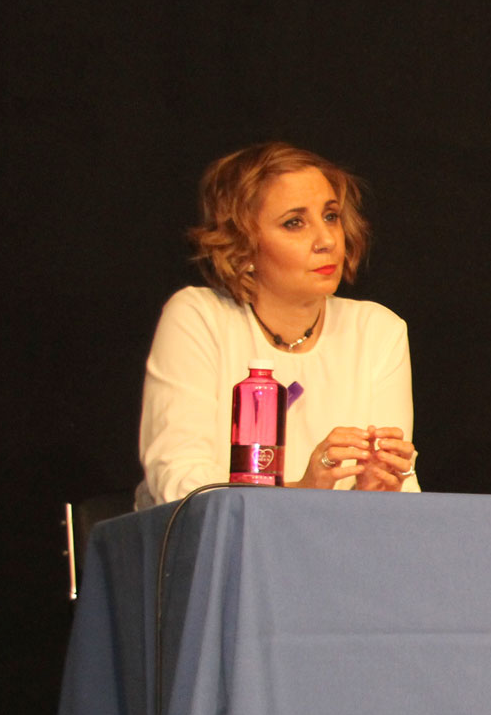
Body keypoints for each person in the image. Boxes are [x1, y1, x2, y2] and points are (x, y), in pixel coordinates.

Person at [138, 142, 417, 507]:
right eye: (294, 223)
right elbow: (179, 486)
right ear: (243, 245)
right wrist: (302, 491)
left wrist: (376, 492)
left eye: (331, 216)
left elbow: (404, 497)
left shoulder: (378, 330)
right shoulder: (198, 317)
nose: (327, 240)